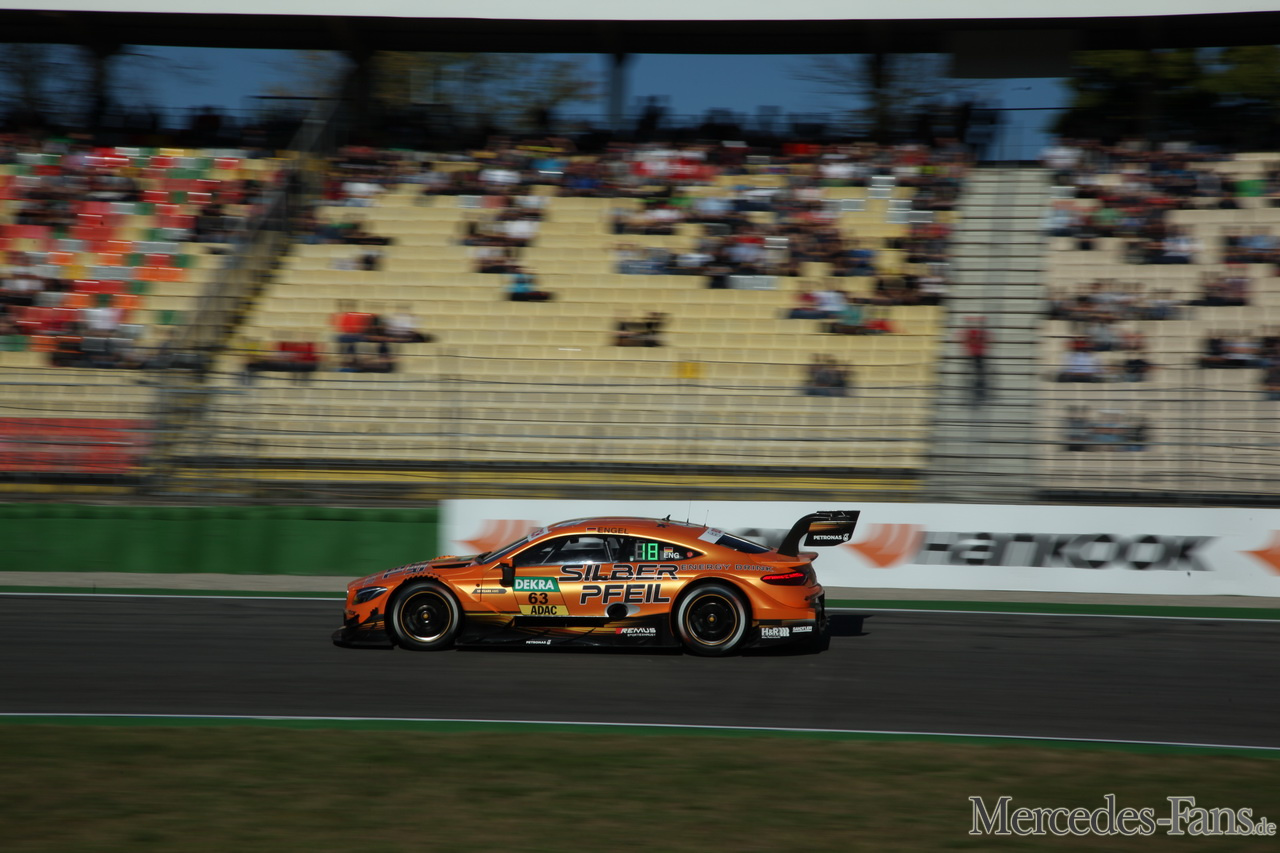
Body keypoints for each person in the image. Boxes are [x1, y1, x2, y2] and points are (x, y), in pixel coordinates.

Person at [959, 316, 990, 403]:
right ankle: (976, 389)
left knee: (978, 373)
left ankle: (978, 389)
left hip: (977, 355)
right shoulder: (973, 333)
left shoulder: (978, 333)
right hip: (974, 355)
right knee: (977, 373)